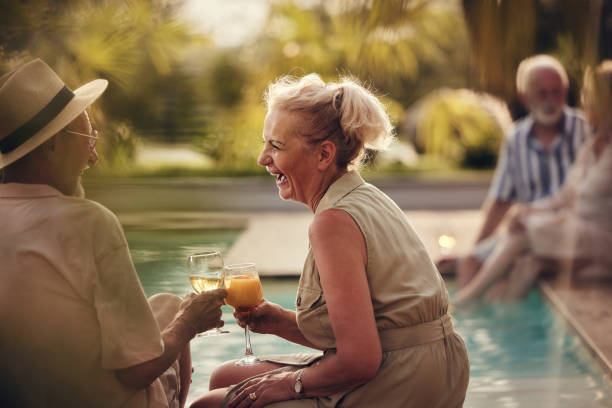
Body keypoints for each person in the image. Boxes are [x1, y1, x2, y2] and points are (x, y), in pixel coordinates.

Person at [190, 74, 470, 408]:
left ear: (324, 155)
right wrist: (279, 321)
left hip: (401, 379)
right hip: (433, 367)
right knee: (226, 377)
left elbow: (360, 360)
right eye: (265, 143)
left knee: (206, 406)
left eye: (276, 146)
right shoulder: (364, 196)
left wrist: (287, 385)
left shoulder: (332, 224)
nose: (262, 158)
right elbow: (366, 329)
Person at [0, 59, 226, 407]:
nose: (94, 157)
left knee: (165, 304)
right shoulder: (89, 223)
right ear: (52, 145)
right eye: (87, 137)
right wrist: (190, 323)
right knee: (178, 313)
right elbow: (136, 371)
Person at [454, 60, 612, 303]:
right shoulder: (519, 138)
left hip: (578, 235)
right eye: (542, 93)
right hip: (550, 228)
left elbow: (576, 201)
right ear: (525, 97)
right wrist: (518, 215)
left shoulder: (585, 129)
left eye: (557, 92)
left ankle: (466, 303)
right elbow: (502, 199)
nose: (551, 100)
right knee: (477, 260)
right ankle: (493, 325)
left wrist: (528, 216)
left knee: (526, 240)